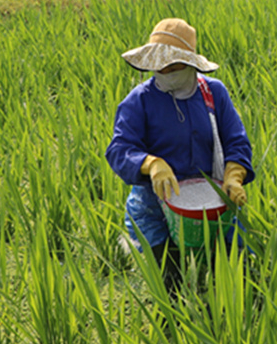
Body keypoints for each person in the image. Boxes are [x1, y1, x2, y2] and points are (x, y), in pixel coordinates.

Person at [106, 18, 253, 286]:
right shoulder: (140, 100)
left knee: (235, 277)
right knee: (170, 282)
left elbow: (236, 140)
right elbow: (119, 148)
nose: (166, 70)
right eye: (160, 63)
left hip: (212, 201)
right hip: (156, 203)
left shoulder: (213, 93)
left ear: (190, 63)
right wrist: (151, 164)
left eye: (174, 63)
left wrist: (234, 175)